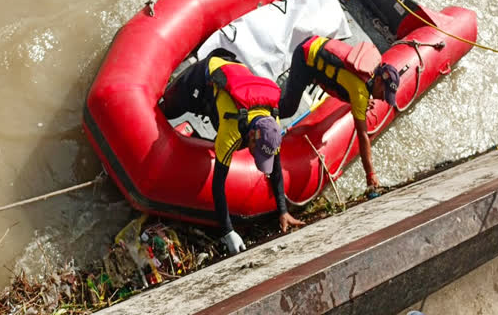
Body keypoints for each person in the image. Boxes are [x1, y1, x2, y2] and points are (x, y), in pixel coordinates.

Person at [161, 49, 304, 255]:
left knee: (214, 113)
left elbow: (277, 168)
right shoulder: (231, 130)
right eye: (257, 152)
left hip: (236, 75)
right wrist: (228, 231)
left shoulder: (272, 127)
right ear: (253, 135)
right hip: (208, 75)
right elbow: (218, 185)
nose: (256, 157)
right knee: (167, 108)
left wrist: (283, 210)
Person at [278, 36, 400, 194]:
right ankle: (261, 111)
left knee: (341, 89)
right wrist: (370, 174)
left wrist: (357, 103)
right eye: (384, 93)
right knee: (289, 108)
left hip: (318, 43)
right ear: (377, 81)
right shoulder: (360, 92)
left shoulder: (372, 71)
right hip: (305, 55)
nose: (383, 98)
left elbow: (343, 80)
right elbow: (362, 136)